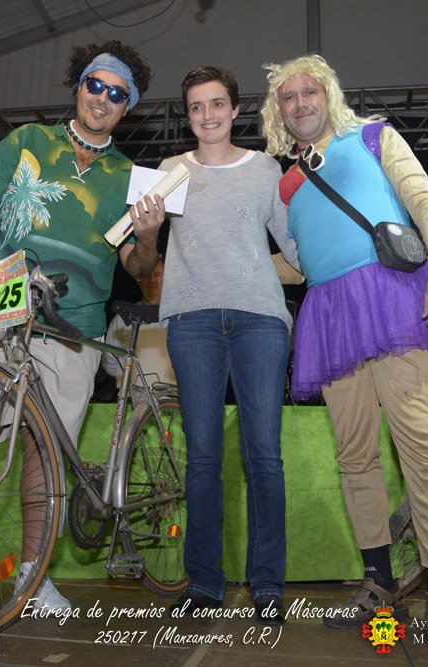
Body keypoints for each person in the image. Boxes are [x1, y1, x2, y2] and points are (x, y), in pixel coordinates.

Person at [0, 41, 164, 610]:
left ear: (127, 106)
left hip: (76, 324)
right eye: (94, 85)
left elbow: (137, 267)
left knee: (46, 453)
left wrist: (150, 236)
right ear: (78, 87)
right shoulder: (27, 140)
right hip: (1, 301)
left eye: (116, 93)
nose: (102, 98)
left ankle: (32, 578)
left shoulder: (130, 176)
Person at [261, 54, 428, 634]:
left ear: (328, 95)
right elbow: (302, 264)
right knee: (354, 456)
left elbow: (423, 200)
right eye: (287, 97)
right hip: (330, 315)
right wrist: (234, 265)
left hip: (391, 298)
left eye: (309, 91)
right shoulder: (287, 185)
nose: (299, 103)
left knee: (419, 444)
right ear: (277, 113)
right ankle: (379, 582)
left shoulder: (374, 137)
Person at [162, 66, 300, 625]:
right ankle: (204, 581)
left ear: (235, 109)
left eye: (217, 104)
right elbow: (137, 245)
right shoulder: (169, 171)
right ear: (188, 116)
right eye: (197, 107)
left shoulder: (266, 169)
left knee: (264, 454)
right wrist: (143, 230)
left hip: (260, 321)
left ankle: (267, 585)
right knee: (202, 457)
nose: (208, 115)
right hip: (190, 321)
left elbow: (295, 247)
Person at [101, 258, 176, 390]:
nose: (152, 280)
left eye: (157, 274)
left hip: (173, 397)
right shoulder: (123, 317)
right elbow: (110, 361)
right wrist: (129, 381)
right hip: (133, 398)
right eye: (146, 276)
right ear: (139, 281)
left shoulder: (180, 318)